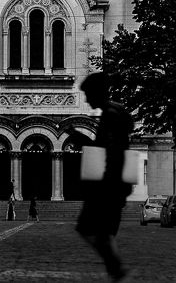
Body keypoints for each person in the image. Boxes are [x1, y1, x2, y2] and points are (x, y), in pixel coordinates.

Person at [75, 72, 133, 282]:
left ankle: (116, 268)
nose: (87, 99)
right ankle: (115, 269)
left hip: (108, 184)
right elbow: (110, 148)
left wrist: (107, 183)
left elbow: (112, 151)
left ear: (97, 93)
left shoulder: (110, 114)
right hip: (114, 183)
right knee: (102, 231)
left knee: (91, 229)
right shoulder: (114, 112)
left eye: (88, 94)